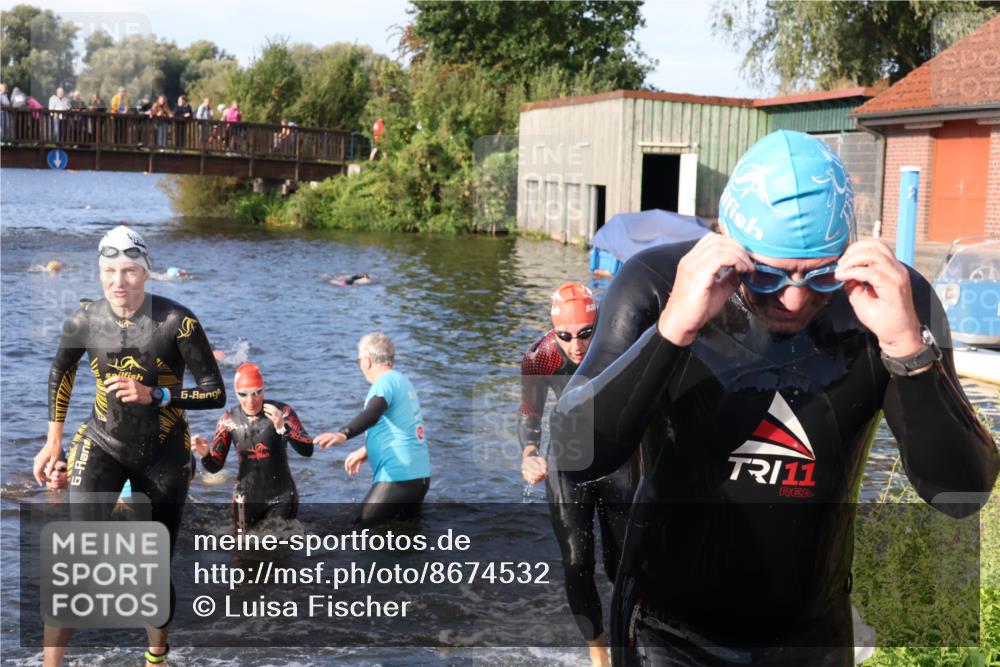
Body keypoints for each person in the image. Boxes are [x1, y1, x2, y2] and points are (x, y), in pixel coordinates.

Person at [551, 130, 1000, 666]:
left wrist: (908, 351)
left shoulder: (891, 302)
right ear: (728, 244)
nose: (794, 298)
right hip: (667, 636)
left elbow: (961, 494)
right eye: (765, 276)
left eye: (821, 275)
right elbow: (577, 454)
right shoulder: (656, 285)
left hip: (811, 637)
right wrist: (673, 330)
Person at [32, 224, 226, 667]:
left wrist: (155, 394)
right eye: (109, 271)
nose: (119, 281)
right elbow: (61, 372)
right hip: (101, 440)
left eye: (130, 271)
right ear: (99, 273)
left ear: (146, 273)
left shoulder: (178, 321)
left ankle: (156, 656)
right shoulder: (85, 320)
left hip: (163, 454)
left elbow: (215, 391)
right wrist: (53, 440)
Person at [519, 283, 638, 667]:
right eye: (565, 336)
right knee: (575, 560)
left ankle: (629, 640)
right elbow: (529, 415)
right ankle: (599, 654)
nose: (576, 345)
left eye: (586, 333)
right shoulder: (540, 357)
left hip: (618, 459)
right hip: (568, 461)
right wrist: (528, 454)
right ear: (554, 332)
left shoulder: (621, 345)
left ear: (599, 324)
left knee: (622, 563)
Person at [315, 332, 431, 526]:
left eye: (358, 360)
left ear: (367, 361)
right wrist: (367, 450)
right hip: (419, 477)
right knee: (404, 539)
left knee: (359, 528)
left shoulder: (384, 383)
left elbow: (373, 413)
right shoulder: (402, 381)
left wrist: (343, 433)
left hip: (398, 476)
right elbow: (403, 429)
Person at [192, 363, 313, 532]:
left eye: (257, 392)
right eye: (244, 394)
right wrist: (205, 454)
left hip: (282, 496)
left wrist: (282, 428)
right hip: (244, 498)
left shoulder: (282, 412)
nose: (251, 400)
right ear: (236, 394)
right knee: (241, 552)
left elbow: (307, 450)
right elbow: (214, 467)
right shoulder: (228, 421)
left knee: (281, 553)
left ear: (264, 390)